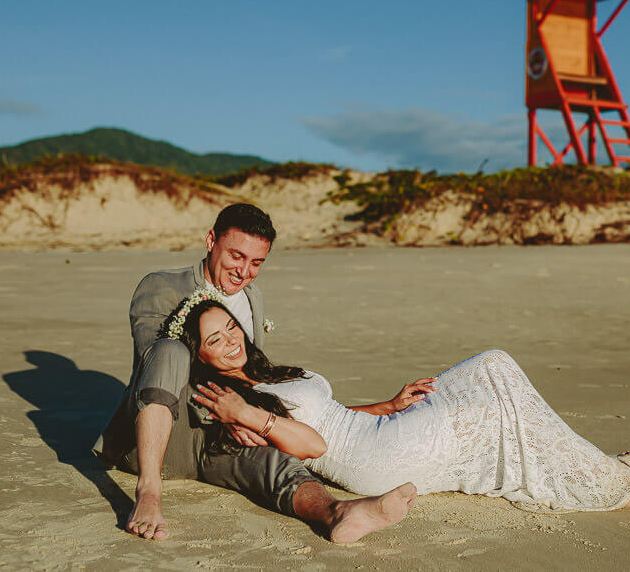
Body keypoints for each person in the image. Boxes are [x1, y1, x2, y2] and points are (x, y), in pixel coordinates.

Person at [173, 297, 630, 513]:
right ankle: (614, 483)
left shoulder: (264, 373)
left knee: (496, 387)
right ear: (200, 355)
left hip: (376, 434)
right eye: (214, 341)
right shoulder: (234, 400)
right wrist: (243, 416)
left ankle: (600, 474)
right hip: (370, 462)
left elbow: (331, 415)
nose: (230, 342)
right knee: (494, 371)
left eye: (230, 328)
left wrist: (390, 403)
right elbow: (313, 442)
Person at [93, 203, 415, 543]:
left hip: (217, 440)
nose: (243, 271)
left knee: (274, 461)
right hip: (167, 435)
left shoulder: (251, 296)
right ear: (210, 241)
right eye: (236, 256)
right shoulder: (161, 287)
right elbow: (155, 363)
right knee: (170, 349)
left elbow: (253, 376)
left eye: (256, 262)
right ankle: (149, 493)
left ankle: (336, 513)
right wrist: (225, 411)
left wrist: (245, 415)